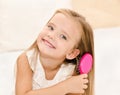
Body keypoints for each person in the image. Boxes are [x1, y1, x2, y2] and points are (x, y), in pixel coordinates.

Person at [15, 8, 94, 95]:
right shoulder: (26, 60)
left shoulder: (71, 73)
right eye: (51, 27)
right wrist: (65, 87)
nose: (51, 35)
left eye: (63, 36)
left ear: (71, 53)